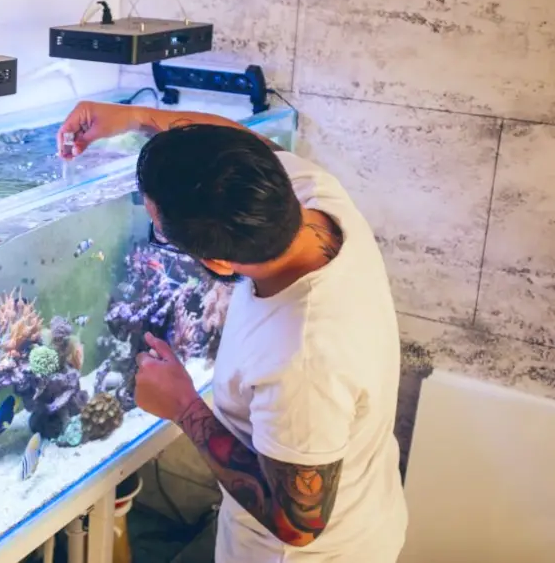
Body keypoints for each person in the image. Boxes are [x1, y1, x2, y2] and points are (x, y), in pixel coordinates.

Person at [56, 101, 407, 562]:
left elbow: (298, 523)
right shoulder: (315, 196)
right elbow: (241, 150)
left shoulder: (301, 356)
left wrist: (184, 406)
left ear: (219, 263)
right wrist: (136, 118)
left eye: (160, 230)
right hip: (371, 514)